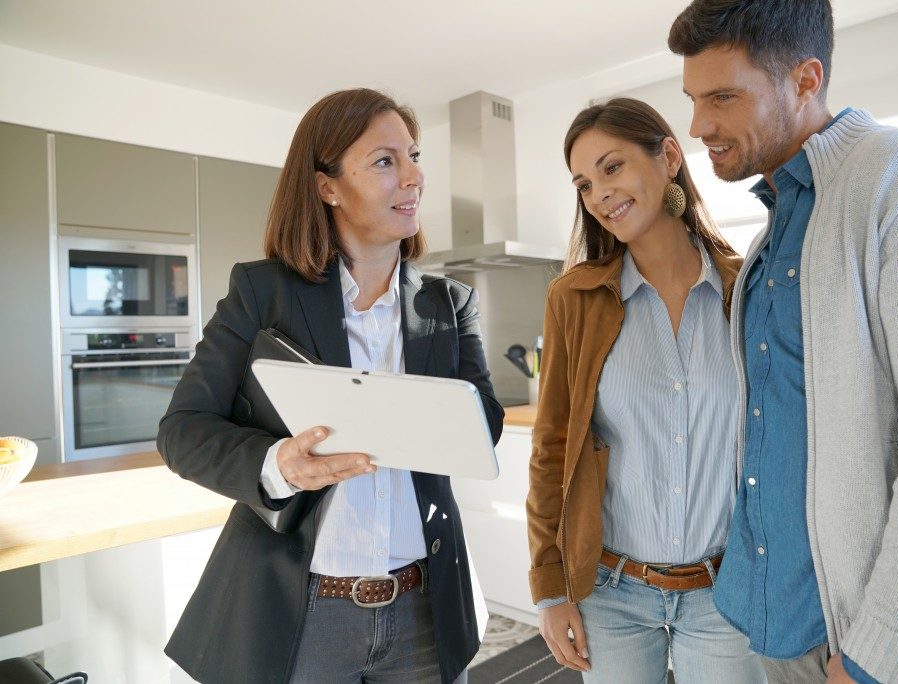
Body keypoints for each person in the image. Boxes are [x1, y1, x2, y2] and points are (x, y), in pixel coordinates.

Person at [666, 2, 898, 682]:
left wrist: (875, 660)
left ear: (805, 80)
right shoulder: (775, 235)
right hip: (781, 634)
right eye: (693, 99)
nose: (698, 126)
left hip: (873, 660)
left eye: (722, 97)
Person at [157, 88, 503, 684]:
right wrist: (277, 467)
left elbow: (486, 424)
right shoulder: (262, 293)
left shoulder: (450, 304)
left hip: (424, 606)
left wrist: (430, 415)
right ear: (328, 187)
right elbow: (183, 429)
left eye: (414, 156)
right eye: (385, 161)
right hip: (302, 611)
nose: (414, 176)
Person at [525, 97, 765, 683]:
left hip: (726, 591)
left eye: (612, 167)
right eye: (584, 184)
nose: (599, 194)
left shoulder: (748, 289)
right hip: (610, 592)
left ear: (669, 158)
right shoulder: (573, 299)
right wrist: (550, 589)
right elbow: (553, 447)